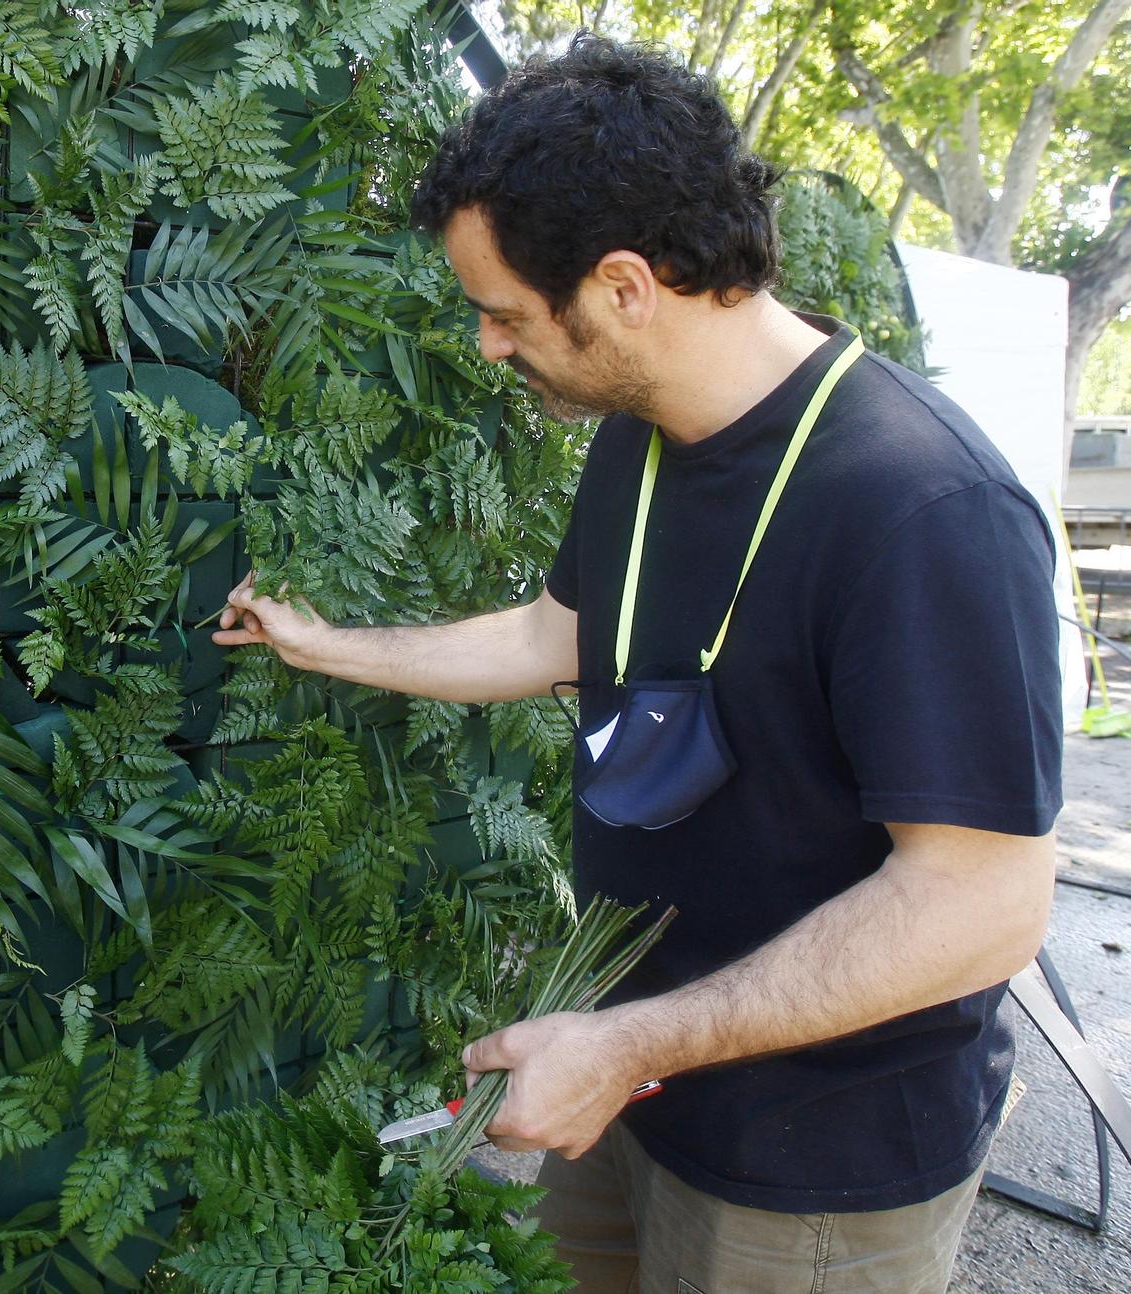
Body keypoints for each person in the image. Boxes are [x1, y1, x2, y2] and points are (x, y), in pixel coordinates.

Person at [213, 34, 1063, 1294]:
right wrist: (323, 643)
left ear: (620, 285)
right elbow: (554, 637)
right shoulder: (644, 433)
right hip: (629, 1086)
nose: (491, 348)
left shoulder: (921, 506)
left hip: (810, 1163)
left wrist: (630, 1043)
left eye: (504, 313)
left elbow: (980, 903)